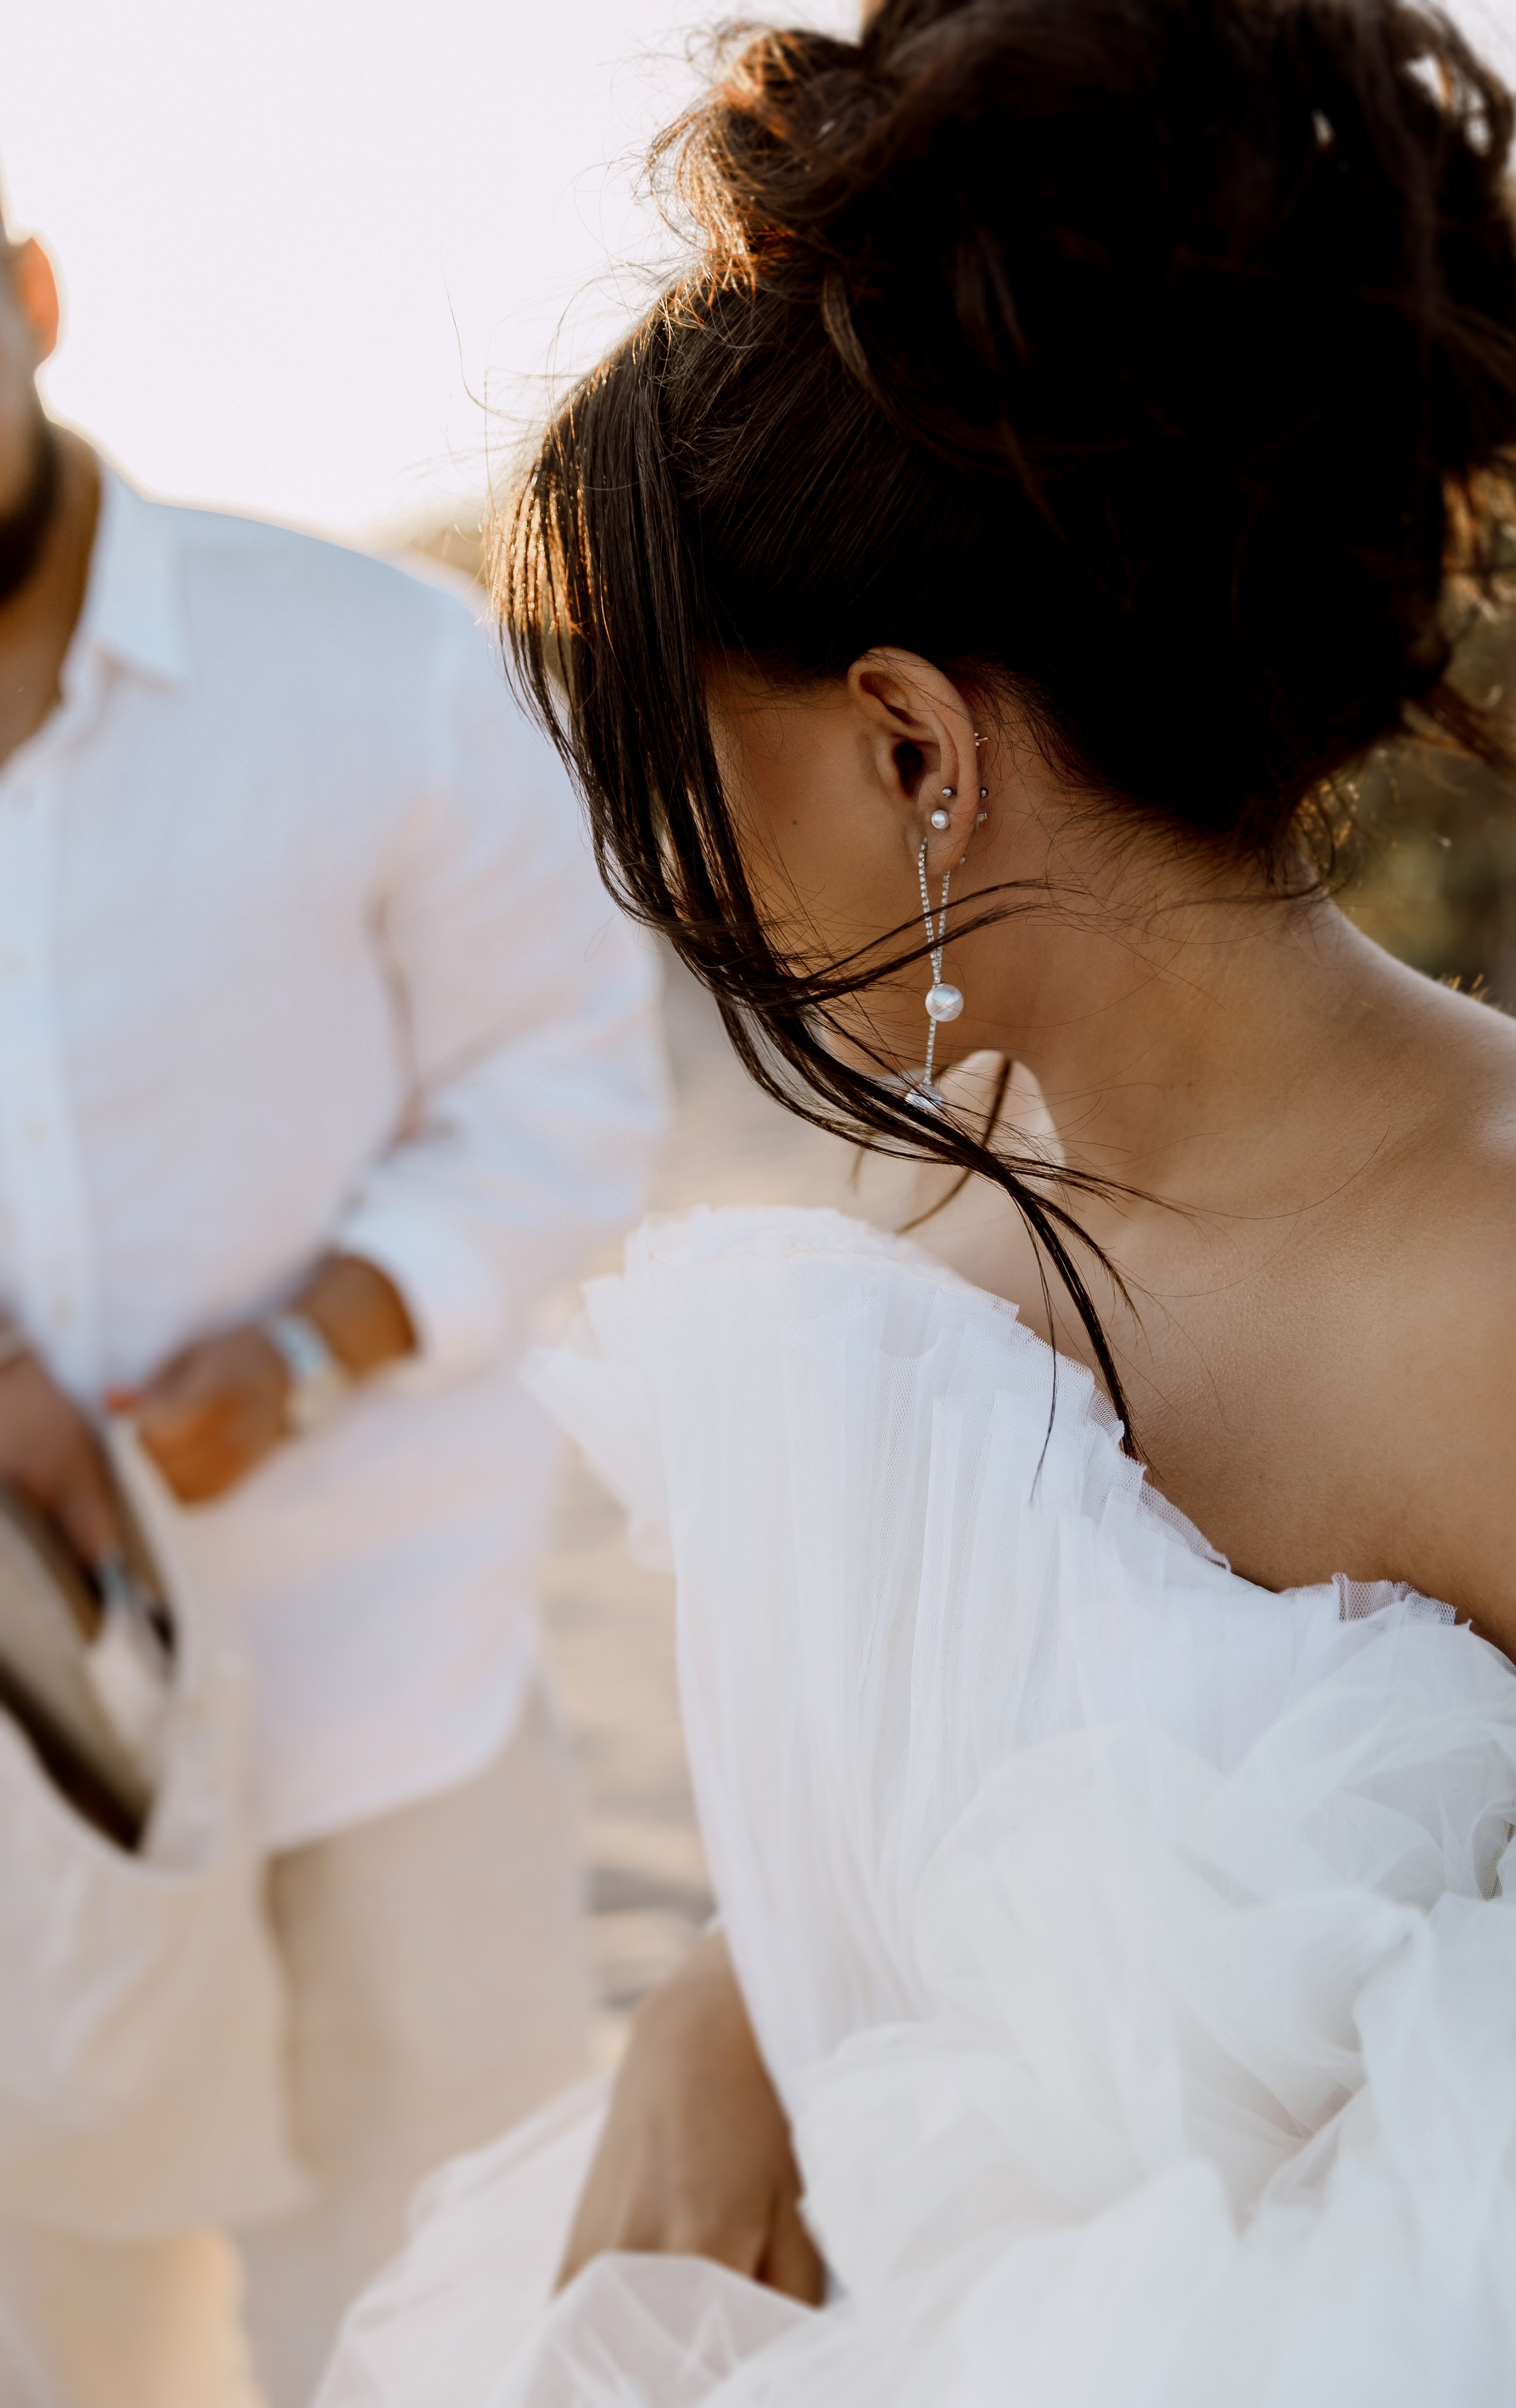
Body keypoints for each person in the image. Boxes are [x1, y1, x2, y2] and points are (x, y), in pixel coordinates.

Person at [318, 1, 1516, 2400]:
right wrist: (725, 1993)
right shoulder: (964, 1209)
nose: (661, 871)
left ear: (914, 740)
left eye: (685, 764)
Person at [0, 186, 666, 2407]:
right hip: (22, 1756)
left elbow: (574, 1082)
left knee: (437, 2329)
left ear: (29, 300)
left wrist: (310, 1352)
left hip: (397, 1693)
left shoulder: (377, 664)